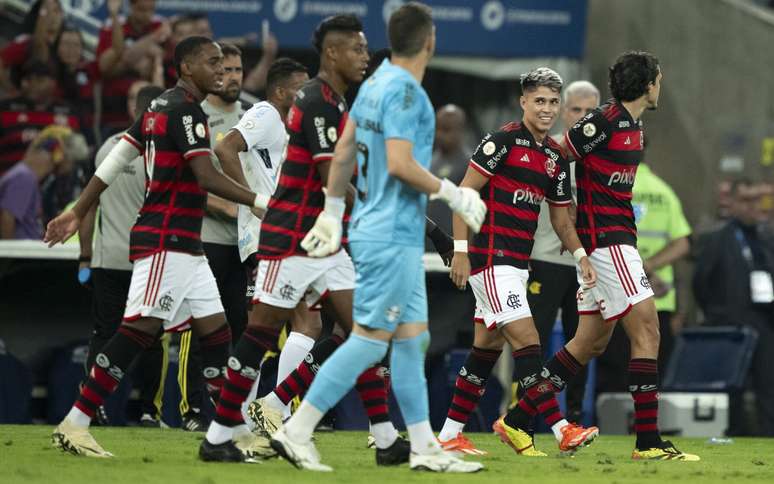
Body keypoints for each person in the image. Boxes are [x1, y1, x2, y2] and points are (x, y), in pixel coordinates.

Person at [270, 3, 486, 473]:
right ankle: (296, 427)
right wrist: (453, 194)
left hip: (383, 230)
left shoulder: (372, 87)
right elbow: (399, 165)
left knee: (412, 341)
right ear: (430, 41)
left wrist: (330, 212)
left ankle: (424, 447)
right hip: (390, 234)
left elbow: (344, 148)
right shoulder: (407, 94)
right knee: (368, 339)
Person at [46, 36, 271, 461]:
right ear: (186, 67)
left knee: (217, 332)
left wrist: (78, 210)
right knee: (139, 330)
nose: (221, 72)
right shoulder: (187, 111)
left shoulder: (157, 107)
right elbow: (205, 176)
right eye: (212, 64)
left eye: (224, 65)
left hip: (186, 245)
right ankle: (75, 422)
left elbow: (116, 158)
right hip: (165, 240)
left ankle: (228, 431)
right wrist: (262, 203)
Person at [199, 14, 406, 465]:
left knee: (363, 331)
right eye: (357, 48)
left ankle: (387, 440)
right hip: (292, 239)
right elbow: (330, 174)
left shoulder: (333, 101)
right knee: (258, 335)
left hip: (322, 241)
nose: (364, 56)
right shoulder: (315, 100)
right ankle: (219, 434)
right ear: (332, 53)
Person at [532, 51, 699, 460]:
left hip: (613, 242)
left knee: (588, 343)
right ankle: (647, 441)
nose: (661, 85)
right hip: (607, 243)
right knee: (648, 332)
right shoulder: (602, 122)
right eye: (658, 78)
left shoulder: (635, 128)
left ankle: (517, 419)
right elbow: (556, 155)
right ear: (647, 84)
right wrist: (562, 205)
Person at [439, 69, 598, 458]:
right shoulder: (502, 141)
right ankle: (559, 428)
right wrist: (461, 250)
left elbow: (562, 219)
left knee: (486, 349)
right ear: (524, 102)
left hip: (517, 265)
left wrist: (580, 256)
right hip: (492, 261)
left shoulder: (556, 159)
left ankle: (448, 435)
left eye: (552, 102)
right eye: (538, 100)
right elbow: (463, 196)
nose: (546, 108)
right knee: (528, 341)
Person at [77, 84, 167, 427]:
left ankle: (93, 404)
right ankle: (148, 410)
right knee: (151, 337)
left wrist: (85, 257)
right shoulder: (163, 152)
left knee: (104, 333)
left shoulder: (107, 149)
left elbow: (89, 207)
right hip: (149, 259)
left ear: (136, 109)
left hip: (108, 259)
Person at [175, 42, 252, 432]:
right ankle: (190, 409)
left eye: (238, 70)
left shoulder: (252, 118)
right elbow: (197, 182)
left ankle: (229, 410)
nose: (231, 76)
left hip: (242, 244)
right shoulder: (195, 115)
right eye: (225, 68)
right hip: (208, 239)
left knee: (237, 324)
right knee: (197, 326)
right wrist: (242, 209)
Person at [525, 80, 600, 424]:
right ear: (563, 111)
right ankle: (525, 410)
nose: (583, 117)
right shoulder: (547, 151)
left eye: (590, 111)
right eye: (576, 110)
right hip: (544, 259)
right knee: (532, 339)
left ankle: (572, 414)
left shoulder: (601, 160)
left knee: (582, 340)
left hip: (586, 264)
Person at [598, 142, 691, 393]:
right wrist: (650, 266)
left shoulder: (613, 187)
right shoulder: (664, 192)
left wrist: (638, 266)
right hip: (658, 301)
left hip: (619, 297)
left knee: (615, 375)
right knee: (651, 373)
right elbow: (683, 243)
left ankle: (613, 426)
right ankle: (647, 424)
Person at [693, 179, 774, 436]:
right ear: (734, 203)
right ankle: (731, 436)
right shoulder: (718, 239)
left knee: (768, 388)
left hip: (764, 324)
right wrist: (717, 314)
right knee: (731, 389)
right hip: (729, 325)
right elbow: (700, 282)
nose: (752, 207)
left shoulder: (765, 238)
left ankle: (768, 439)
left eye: (755, 201)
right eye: (745, 201)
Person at [0, 126, 86, 239]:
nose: (70, 170)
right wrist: (9, 254)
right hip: (19, 253)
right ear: (62, 157)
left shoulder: (28, 177)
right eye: (73, 163)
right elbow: (7, 218)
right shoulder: (24, 178)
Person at [96, 0, 168, 134]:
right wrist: (151, 41)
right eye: (142, 10)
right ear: (131, 6)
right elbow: (105, 69)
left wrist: (126, 59)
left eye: (151, 10)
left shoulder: (160, 24)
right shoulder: (113, 26)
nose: (147, 15)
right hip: (115, 107)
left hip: (150, 106)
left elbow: (157, 63)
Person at [0, 61, 80, 176]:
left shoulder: (68, 111)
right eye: (28, 80)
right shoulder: (5, 108)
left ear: (53, 83)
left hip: (56, 181)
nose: (31, 85)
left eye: (39, 80)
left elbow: (78, 147)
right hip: (10, 177)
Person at [0, 0, 64, 94]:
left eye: (56, 11)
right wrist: (12, 91)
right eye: (47, 11)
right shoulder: (28, 43)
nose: (52, 16)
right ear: (40, 16)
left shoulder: (64, 47)